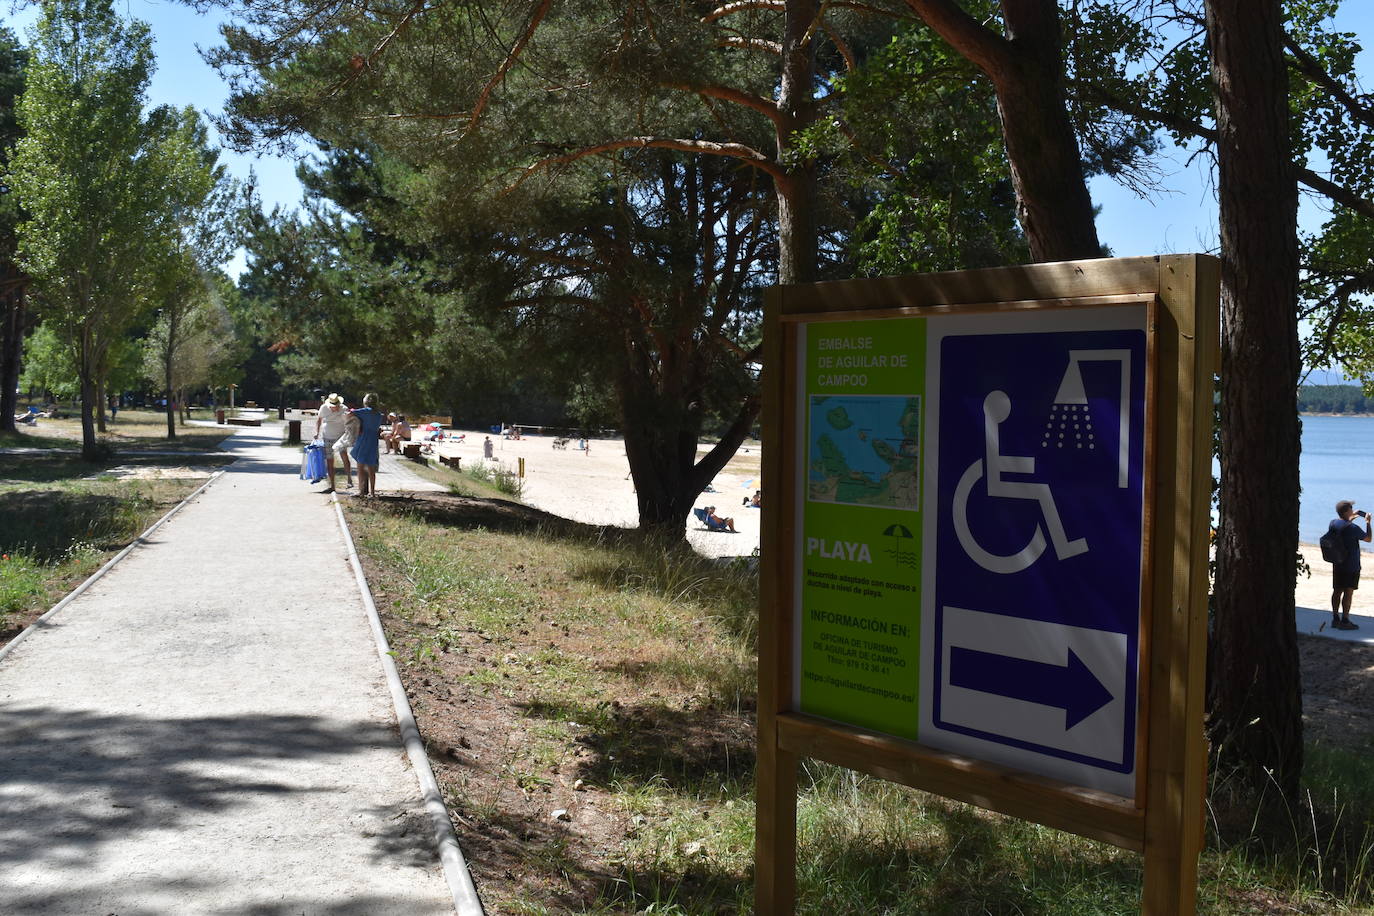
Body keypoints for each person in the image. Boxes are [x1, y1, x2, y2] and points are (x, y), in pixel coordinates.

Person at [1328, 499, 1372, 630]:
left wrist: (1350, 518)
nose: (1353, 510)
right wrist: (1368, 523)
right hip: (1351, 565)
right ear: (1347, 511)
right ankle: (1345, 620)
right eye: (1351, 509)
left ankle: (1335, 619)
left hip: (1338, 563)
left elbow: (1343, 526)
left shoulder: (1333, 523)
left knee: (1337, 591)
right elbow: (1368, 539)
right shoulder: (1353, 528)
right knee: (1348, 592)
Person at [313, 393, 354, 493]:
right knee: (329, 460)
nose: (334, 408)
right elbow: (319, 420)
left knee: (344, 456)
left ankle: (349, 479)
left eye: (336, 406)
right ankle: (332, 486)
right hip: (327, 436)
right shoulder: (324, 408)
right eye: (332, 407)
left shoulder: (344, 409)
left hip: (340, 437)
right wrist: (316, 432)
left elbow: (349, 422)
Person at [350, 393, 384, 497]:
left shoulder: (364, 412)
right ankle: (372, 492)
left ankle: (361, 491)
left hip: (364, 438)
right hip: (373, 441)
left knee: (360, 466)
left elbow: (350, 413)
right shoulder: (378, 414)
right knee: (371, 468)